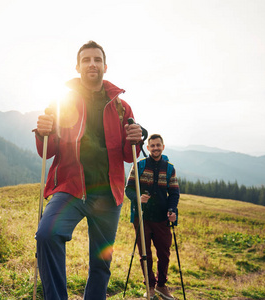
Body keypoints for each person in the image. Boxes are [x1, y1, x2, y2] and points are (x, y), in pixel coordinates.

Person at [34, 40, 143, 300]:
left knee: (100, 264)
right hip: (70, 188)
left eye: (96, 60)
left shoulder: (121, 107)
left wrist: (136, 138)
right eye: (86, 60)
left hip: (108, 194)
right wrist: (42, 132)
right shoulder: (62, 104)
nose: (92, 64)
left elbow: (129, 156)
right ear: (77, 66)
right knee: (47, 234)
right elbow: (47, 152)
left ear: (105, 66)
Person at [125, 134, 180, 300]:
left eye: (158, 145)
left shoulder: (169, 168)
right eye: (152, 146)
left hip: (162, 218)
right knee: (144, 253)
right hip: (142, 217)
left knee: (164, 253)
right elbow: (128, 189)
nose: (155, 148)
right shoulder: (138, 166)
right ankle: (149, 287)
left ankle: (162, 286)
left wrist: (172, 209)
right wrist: (138, 198)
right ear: (148, 148)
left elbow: (174, 192)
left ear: (163, 147)